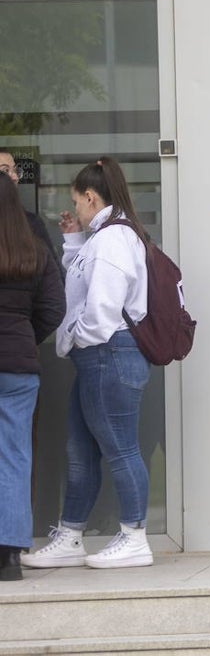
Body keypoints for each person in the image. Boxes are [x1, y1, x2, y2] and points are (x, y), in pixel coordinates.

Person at [22, 157, 155, 569]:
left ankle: (134, 536)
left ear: (92, 197)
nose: (75, 208)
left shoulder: (114, 239)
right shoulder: (101, 237)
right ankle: (72, 535)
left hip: (108, 353)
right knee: (79, 450)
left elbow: (101, 308)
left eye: (77, 201)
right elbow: (84, 285)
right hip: (99, 356)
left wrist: (74, 339)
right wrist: (74, 242)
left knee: (120, 449)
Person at [0, 178, 66, 581]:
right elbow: (54, 309)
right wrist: (27, 337)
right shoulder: (34, 249)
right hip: (19, 368)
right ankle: (9, 556)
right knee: (14, 457)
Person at [0, 150, 55, 263]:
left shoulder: (31, 222)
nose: (15, 177)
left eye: (15, 170)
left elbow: (53, 272)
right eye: (6, 171)